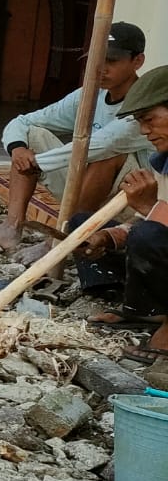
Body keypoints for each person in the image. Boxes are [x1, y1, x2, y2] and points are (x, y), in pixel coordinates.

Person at [0, 22, 150, 253]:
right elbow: (23, 121)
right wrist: (18, 149)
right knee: (31, 137)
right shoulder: (89, 94)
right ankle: (11, 228)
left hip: (133, 201)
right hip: (86, 187)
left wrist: (37, 163)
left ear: (137, 61)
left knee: (107, 155)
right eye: (97, 59)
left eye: (111, 61)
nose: (101, 68)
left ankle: (59, 241)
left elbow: (103, 144)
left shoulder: (146, 104)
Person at [77, 65, 168, 361]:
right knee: (84, 224)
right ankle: (144, 312)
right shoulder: (163, 161)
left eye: (150, 120)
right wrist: (112, 236)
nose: (144, 131)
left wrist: (148, 207)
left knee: (148, 236)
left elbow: (155, 226)